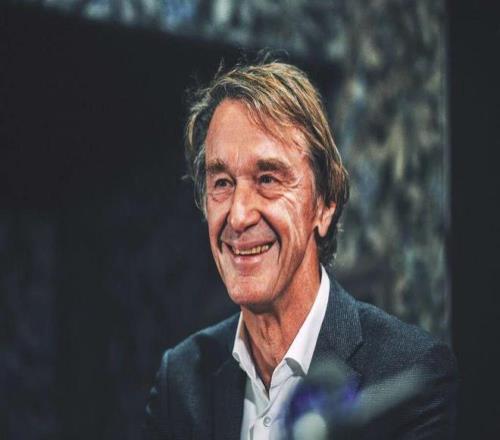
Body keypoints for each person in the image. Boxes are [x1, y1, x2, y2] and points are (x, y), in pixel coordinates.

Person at [144, 60, 457, 439]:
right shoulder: (180, 383)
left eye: (267, 178)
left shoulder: (411, 378)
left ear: (324, 206)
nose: (238, 215)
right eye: (222, 182)